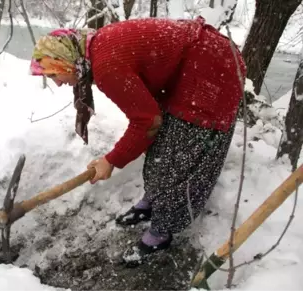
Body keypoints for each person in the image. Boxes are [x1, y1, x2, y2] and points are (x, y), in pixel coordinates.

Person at [29, 16, 246, 264]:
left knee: (179, 154)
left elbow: (147, 122)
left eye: (55, 73)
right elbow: (149, 119)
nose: (57, 83)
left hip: (214, 68)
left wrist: (111, 160)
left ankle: (161, 232)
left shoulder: (106, 66)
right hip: (196, 61)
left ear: (67, 60)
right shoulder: (95, 48)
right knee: (164, 143)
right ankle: (152, 201)